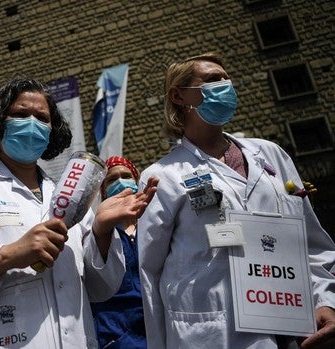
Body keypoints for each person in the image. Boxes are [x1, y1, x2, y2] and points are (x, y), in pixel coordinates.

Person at [0, 75, 158, 348]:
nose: (32, 124)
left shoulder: (67, 195)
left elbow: (101, 289)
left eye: (42, 118)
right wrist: (6, 257)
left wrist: (101, 232)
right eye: (21, 114)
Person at [137, 52, 335, 349]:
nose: (225, 85)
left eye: (226, 78)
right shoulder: (162, 176)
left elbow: (310, 241)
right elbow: (149, 273)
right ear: (179, 96)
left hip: (294, 323)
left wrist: (324, 301)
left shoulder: (271, 155)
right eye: (213, 80)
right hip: (213, 333)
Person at [90, 155, 147, 349]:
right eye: (112, 179)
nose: (121, 182)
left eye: (126, 175)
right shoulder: (95, 231)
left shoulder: (153, 226)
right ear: (103, 190)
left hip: (156, 329)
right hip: (115, 334)